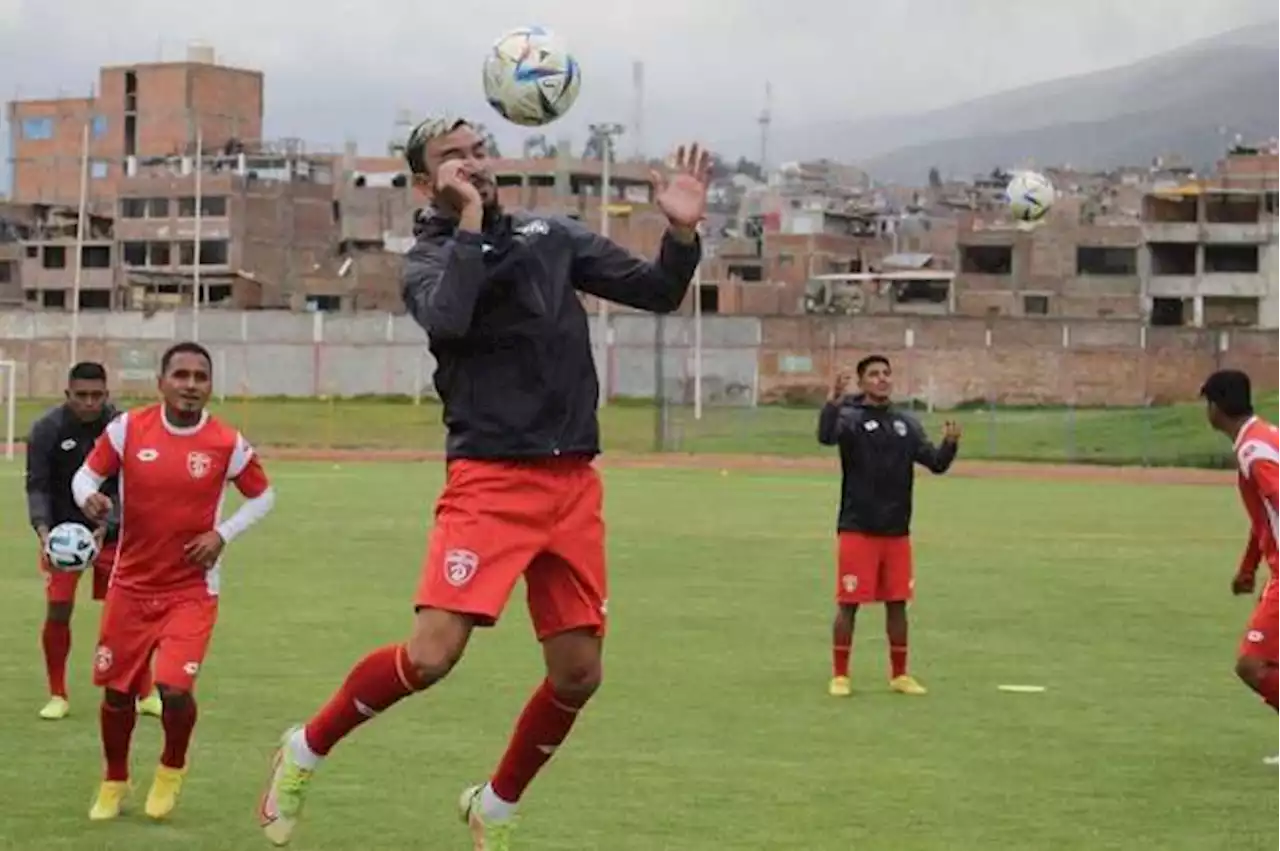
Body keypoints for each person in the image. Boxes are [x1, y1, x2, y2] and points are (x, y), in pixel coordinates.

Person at [258, 115, 709, 849]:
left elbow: (659, 289)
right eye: (452, 159)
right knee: (432, 655)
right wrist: (468, 221)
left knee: (578, 674)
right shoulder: (429, 260)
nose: (473, 164)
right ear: (423, 182)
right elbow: (450, 317)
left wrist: (682, 234)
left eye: (477, 152)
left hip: (570, 483)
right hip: (490, 481)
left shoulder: (551, 237)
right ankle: (304, 746)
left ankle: (494, 805)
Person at [73, 341, 276, 821]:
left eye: (200, 377)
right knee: (117, 692)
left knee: (173, 689)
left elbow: (264, 497)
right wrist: (89, 499)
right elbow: (84, 476)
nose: (190, 385)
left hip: (191, 591)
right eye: (180, 375)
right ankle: (114, 779)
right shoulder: (127, 429)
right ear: (161, 382)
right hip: (130, 585)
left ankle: (171, 767)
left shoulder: (227, 443)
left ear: (209, 386)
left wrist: (222, 534)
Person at [817, 354, 961, 698]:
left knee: (897, 603)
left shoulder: (906, 424)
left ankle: (899, 675)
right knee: (848, 603)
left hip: (896, 531)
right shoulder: (850, 419)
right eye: (874, 375)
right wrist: (832, 404)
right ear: (862, 382)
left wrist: (950, 445)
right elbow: (825, 437)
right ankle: (840, 675)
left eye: (886, 374)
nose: (882, 379)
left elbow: (936, 464)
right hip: (858, 527)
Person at [25, 361, 162, 721]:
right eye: (81, 396)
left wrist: (110, 521)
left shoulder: (122, 429)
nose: (89, 403)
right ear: (67, 395)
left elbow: (134, 484)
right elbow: (37, 485)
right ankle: (58, 694)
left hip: (114, 535)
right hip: (62, 537)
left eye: (96, 396)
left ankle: (144, 691)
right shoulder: (47, 429)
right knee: (59, 609)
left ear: (107, 395)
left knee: (131, 612)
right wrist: (43, 530)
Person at [1201, 369, 1280, 735]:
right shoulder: (1267, 436)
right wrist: (1248, 566)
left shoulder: (1253, 450)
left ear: (1216, 407)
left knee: (1252, 665)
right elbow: (1266, 514)